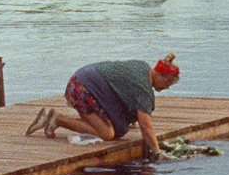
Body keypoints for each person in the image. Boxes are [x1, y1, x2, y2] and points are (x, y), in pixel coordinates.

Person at [30, 52, 180, 158]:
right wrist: (156, 152)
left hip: (78, 80)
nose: (167, 87)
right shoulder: (143, 88)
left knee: (115, 129)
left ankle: (54, 120)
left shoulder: (142, 67)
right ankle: (58, 119)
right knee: (107, 134)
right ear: (160, 75)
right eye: (167, 82)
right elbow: (146, 125)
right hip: (82, 89)